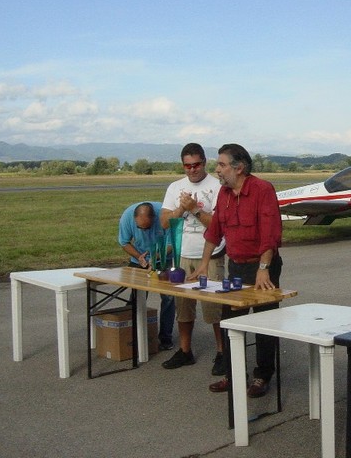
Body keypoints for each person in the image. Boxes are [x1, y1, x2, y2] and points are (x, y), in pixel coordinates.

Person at [189, 143, 283, 398]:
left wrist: (264, 269)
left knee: (264, 323)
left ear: (239, 168)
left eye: (222, 165)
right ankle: (233, 376)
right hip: (237, 266)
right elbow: (214, 231)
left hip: (263, 264)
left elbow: (270, 235)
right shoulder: (224, 194)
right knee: (230, 321)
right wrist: (204, 263)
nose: (217, 170)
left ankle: (262, 376)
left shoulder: (263, 190)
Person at [160, 143, 226, 375]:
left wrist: (196, 209)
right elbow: (165, 222)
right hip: (183, 253)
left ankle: (222, 352)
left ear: (204, 162)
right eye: (187, 166)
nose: (192, 170)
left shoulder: (218, 186)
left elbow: (219, 225)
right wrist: (181, 208)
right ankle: (184, 350)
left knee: (214, 307)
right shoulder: (175, 187)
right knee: (183, 306)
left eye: (196, 164)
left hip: (211, 253)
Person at [118, 201, 175, 350]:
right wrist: (139, 257)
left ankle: (165, 338)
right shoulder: (126, 217)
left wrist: (155, 257)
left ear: (154, 218)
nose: (143, 231)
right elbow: (124, 242)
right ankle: (131, 336)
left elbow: (172, 244)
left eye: (147, 227)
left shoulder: (166, 215)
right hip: (141, 257)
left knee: (168, 297)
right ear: (134, 219)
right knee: (137, 295)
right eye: (139, 228)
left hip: (164, 258)